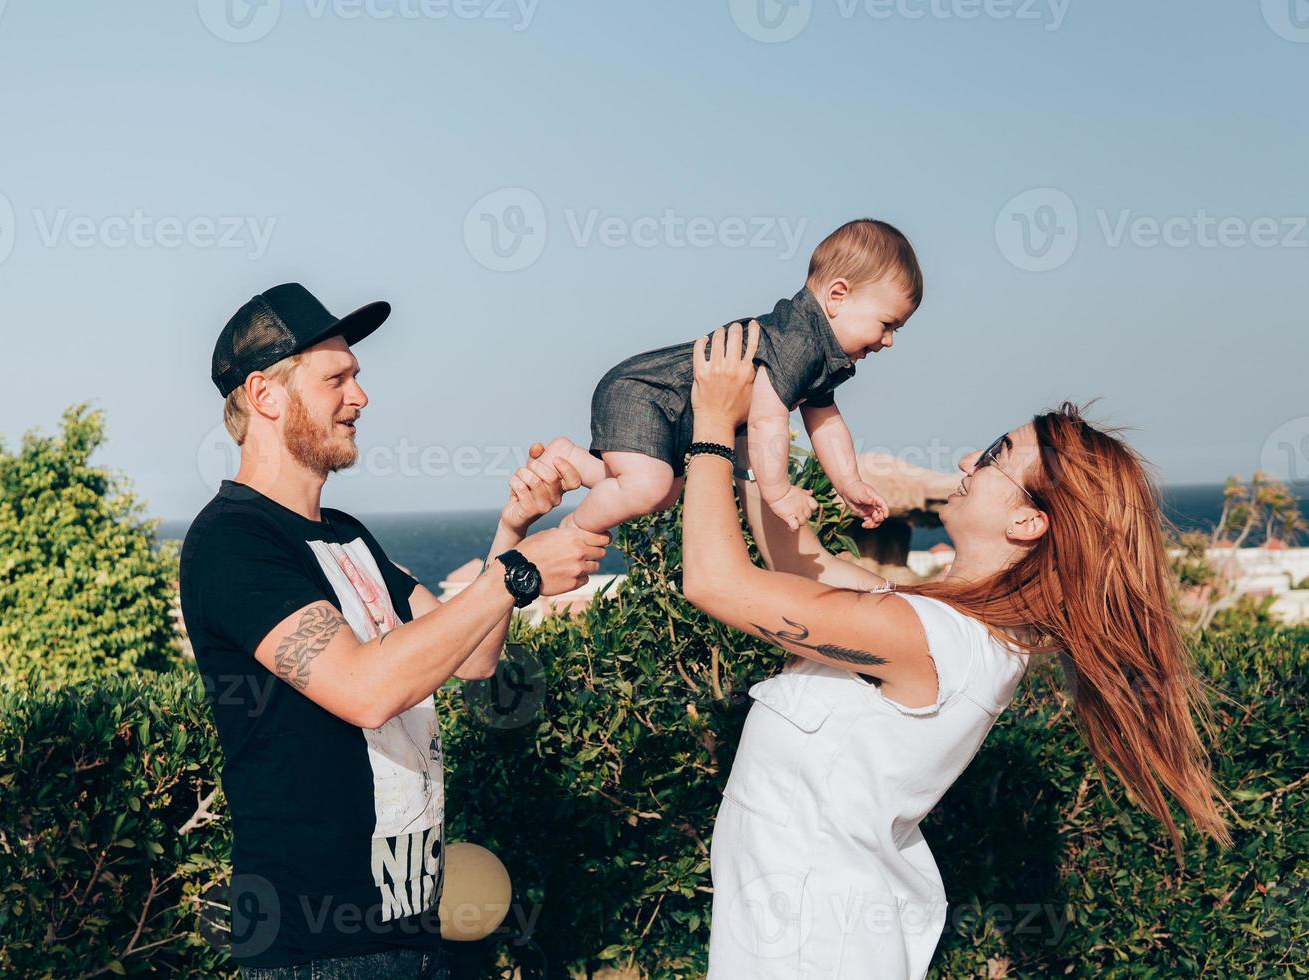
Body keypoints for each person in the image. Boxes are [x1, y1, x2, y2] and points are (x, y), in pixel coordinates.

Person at [677, 323, 1230, 978]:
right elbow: (804, 564)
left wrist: (710, 427)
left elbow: (715, 581)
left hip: (810, 948)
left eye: (996, 454)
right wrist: (753, 436)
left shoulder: (934, 638)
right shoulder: (952, 625)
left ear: (1027, 522)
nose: (969, 459)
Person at [178, 283, 609, 978]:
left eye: (358, 376)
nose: (360, 397)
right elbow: (365, 689)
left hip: (412, 929)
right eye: (337, 379)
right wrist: (517, 574)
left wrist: (512, 535)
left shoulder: (348, 537)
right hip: (320, 954)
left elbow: (470, 657)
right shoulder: (234, 544)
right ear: (264, 396)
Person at [540, 219, 922, 536]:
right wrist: (778, 492)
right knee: (649, 486)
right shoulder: (798, 339)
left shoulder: (820, 351)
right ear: (838, 296)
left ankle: (567, 460)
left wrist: (849, 484)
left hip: (669, 408)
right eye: (887, 324)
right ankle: (573, 532)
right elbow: (767, 419)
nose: (887, 341)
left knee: (665, 491)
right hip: (647, 394)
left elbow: (826, 422)